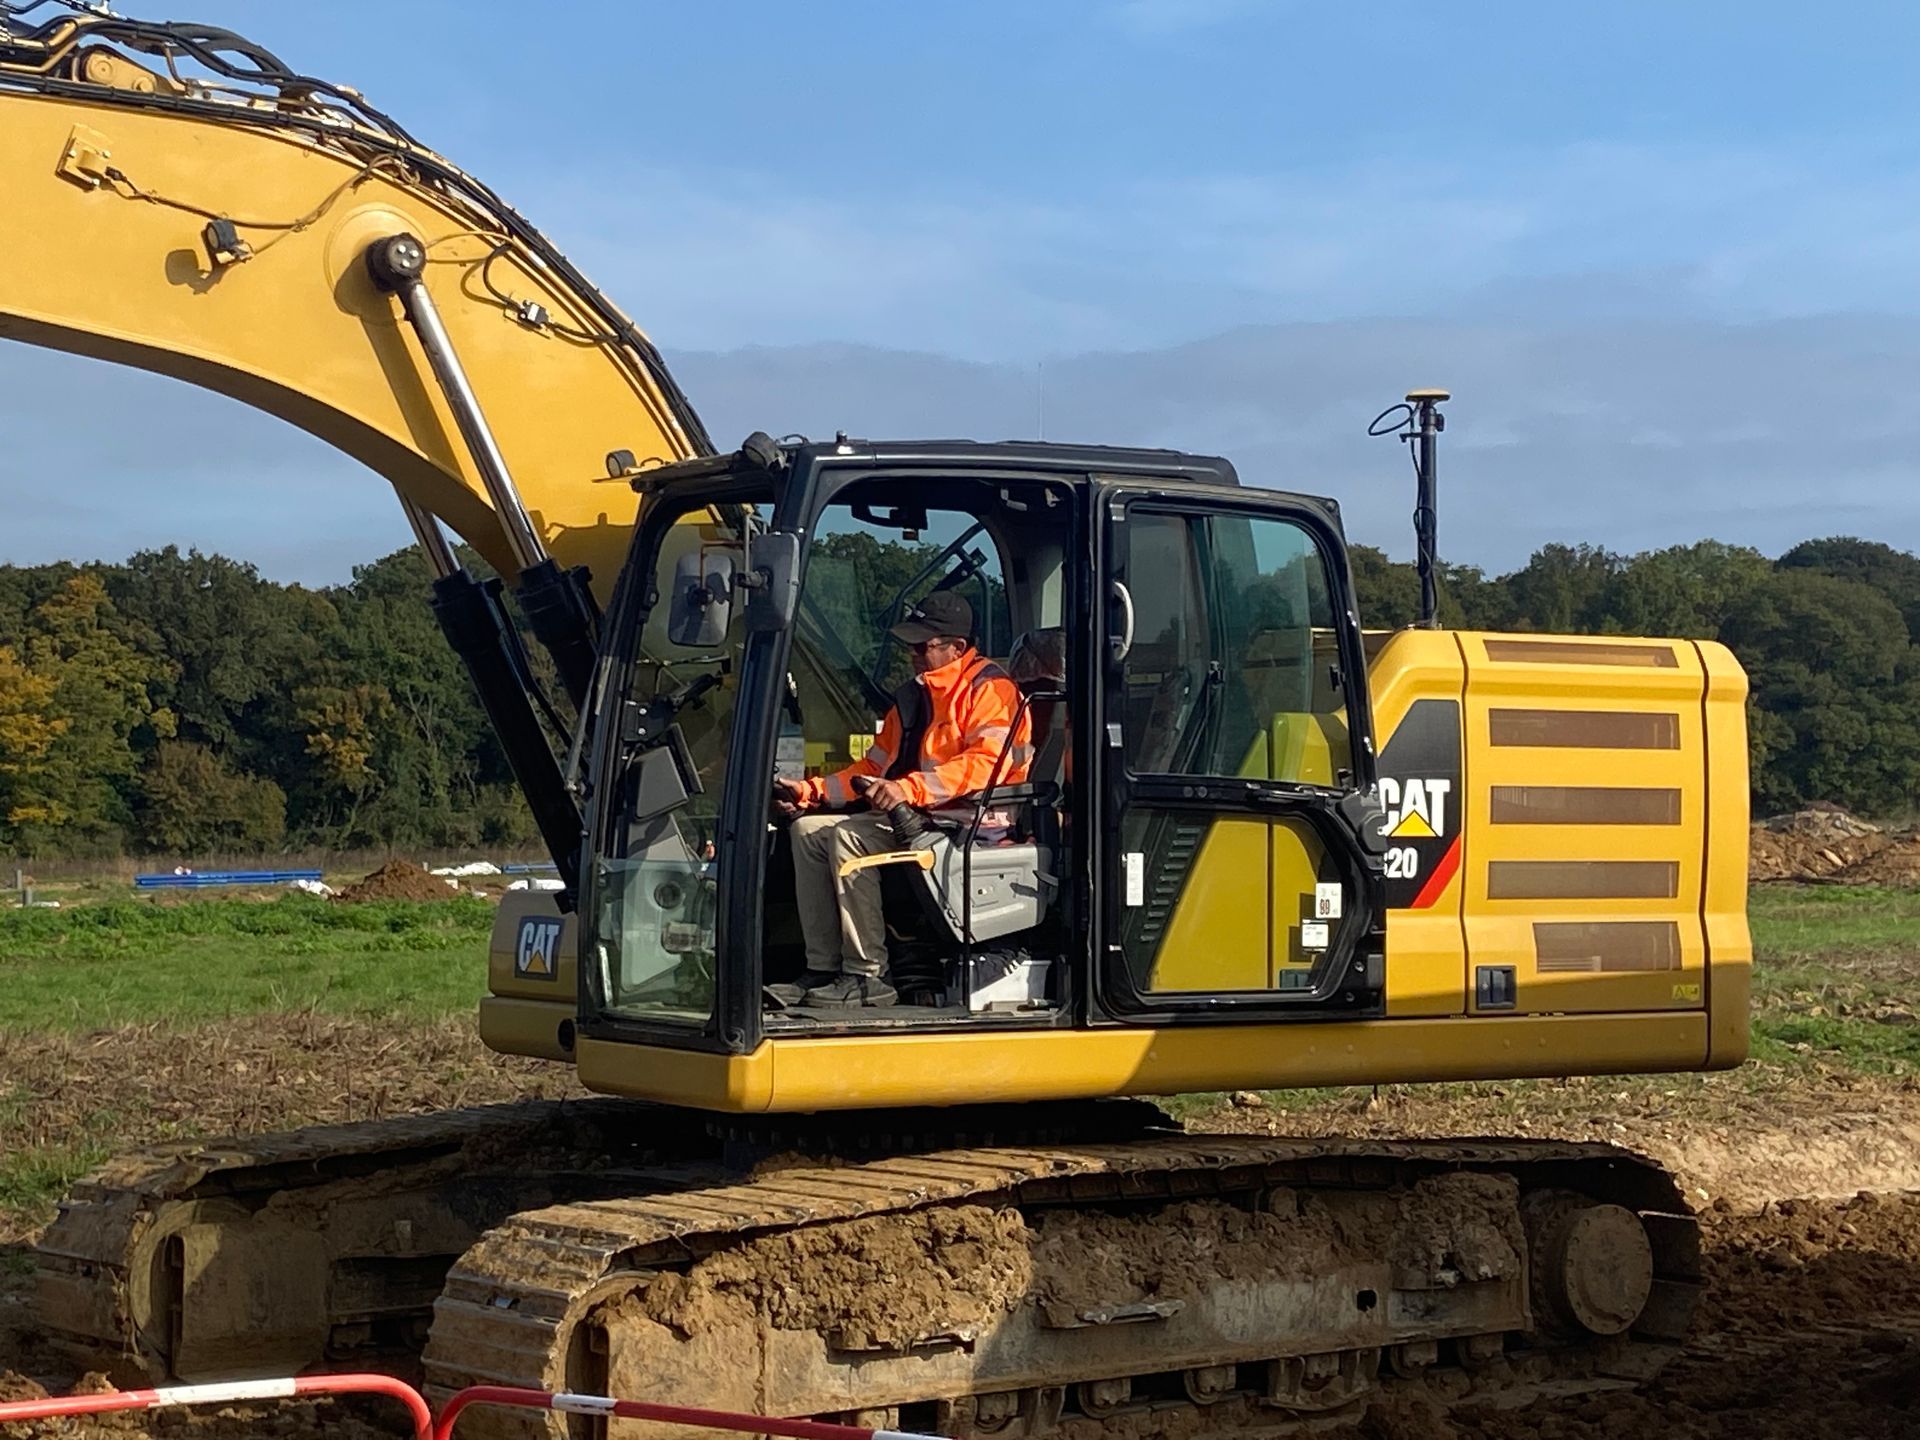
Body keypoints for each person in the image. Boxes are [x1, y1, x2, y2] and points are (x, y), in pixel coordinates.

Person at [769, 591, 1031, 1009]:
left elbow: (986, 765)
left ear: (957, 647)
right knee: (807, 831)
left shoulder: (992, 690)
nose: (912, 654)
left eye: (922, 646)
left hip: (972, 824)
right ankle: (822, 967)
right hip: (918, 817)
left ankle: (869, 976)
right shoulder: (913, 697)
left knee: (849, 838)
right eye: (910, 645)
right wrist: (808, 792)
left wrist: (907, 790)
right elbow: (870, 768)